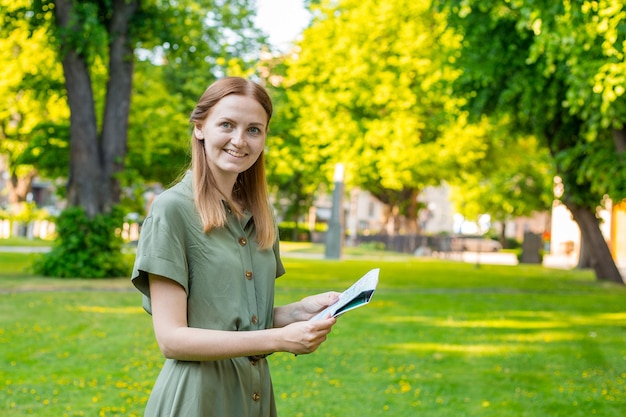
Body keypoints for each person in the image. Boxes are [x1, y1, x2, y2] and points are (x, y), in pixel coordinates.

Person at [131, 76, 339, 416]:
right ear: (200, 127)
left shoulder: (262, 215)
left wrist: (297, 313)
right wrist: (279, 340)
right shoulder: (172, 210)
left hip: (253, 399)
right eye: (226, 124)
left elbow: (239, 320)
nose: (239, 140)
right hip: (197, 401)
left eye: (254, 129)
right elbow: (171, 339)